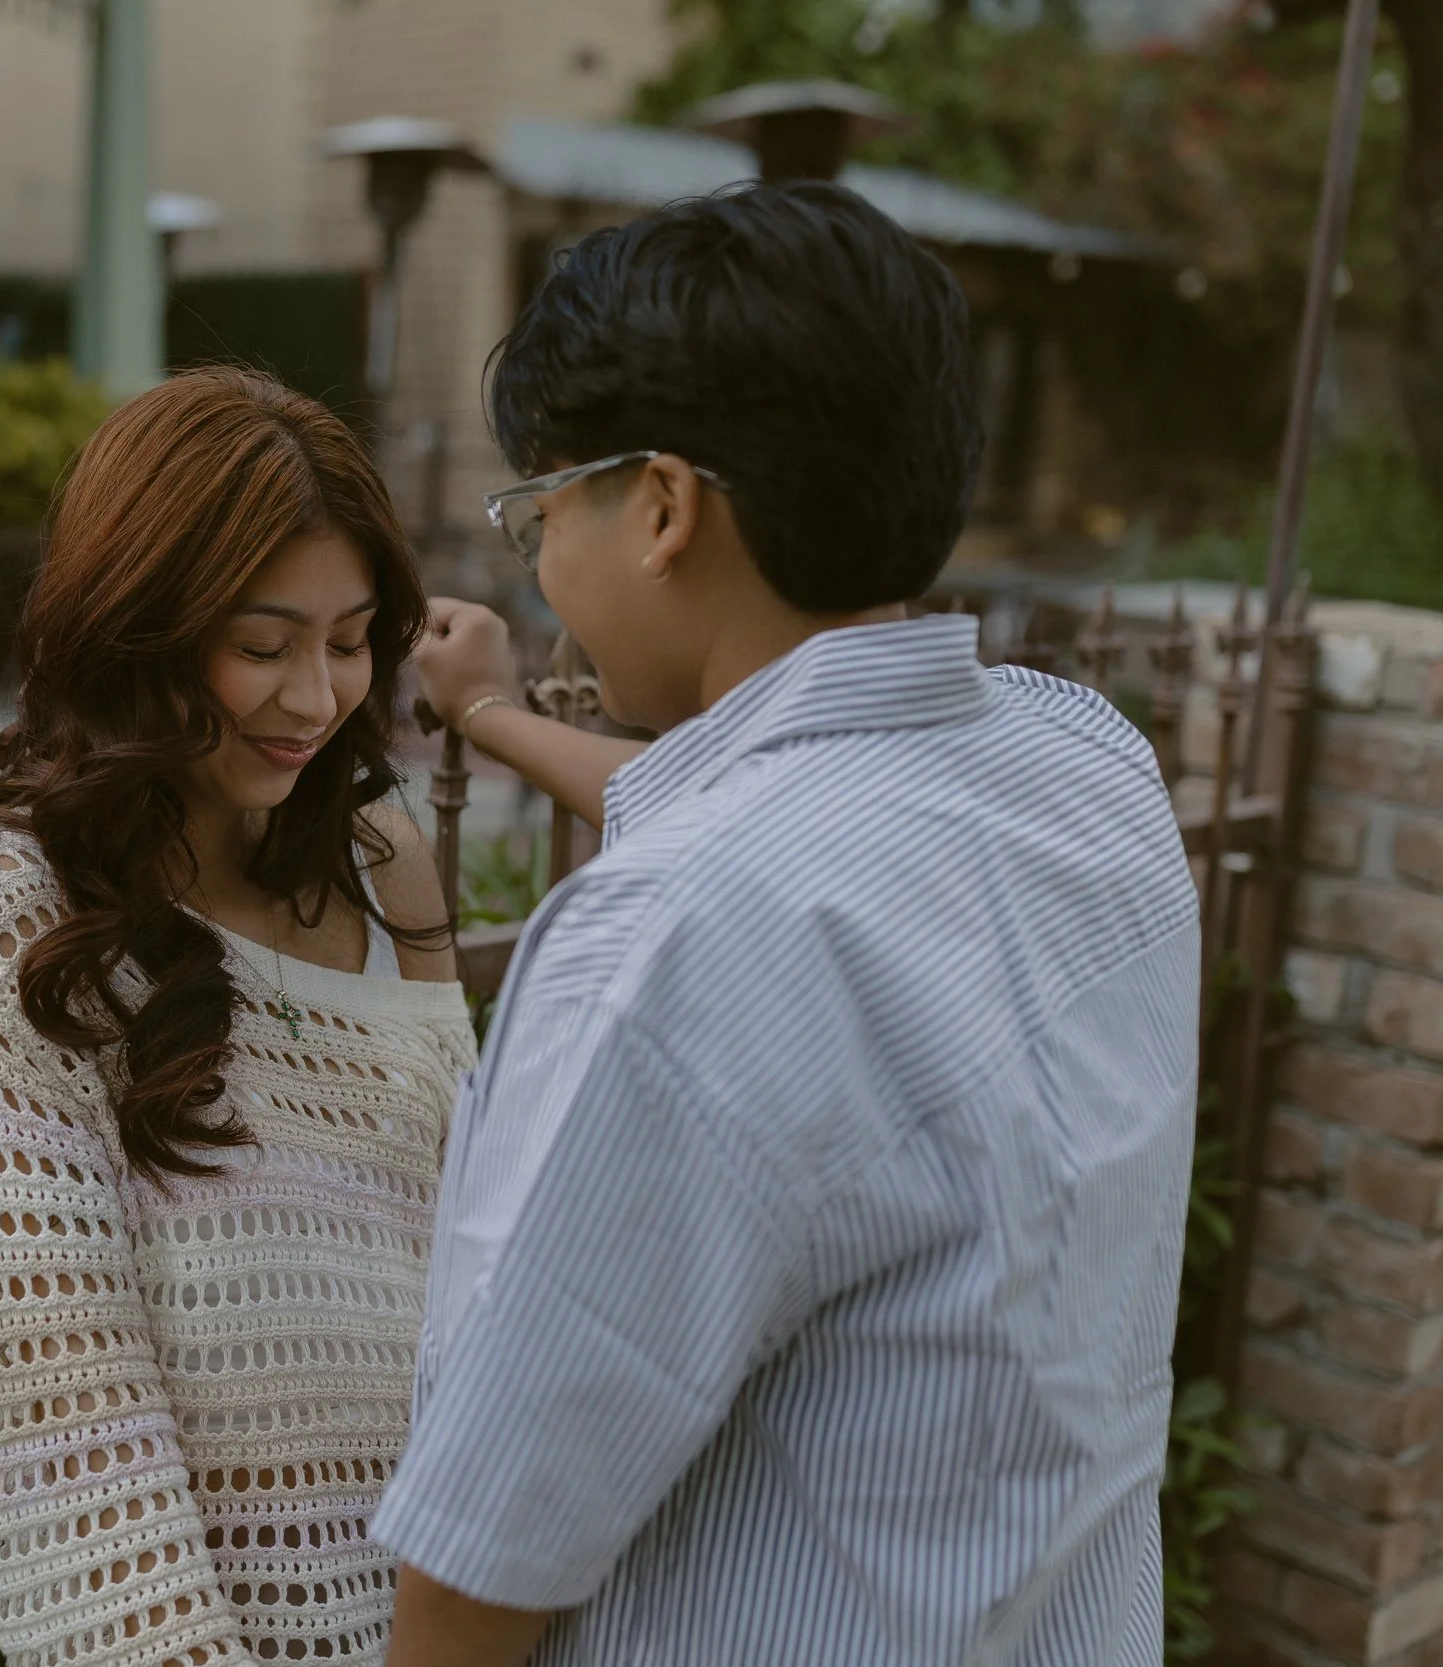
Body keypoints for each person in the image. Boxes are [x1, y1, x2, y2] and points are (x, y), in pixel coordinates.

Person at [380, 182, 1200, 1667]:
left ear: (664, 507)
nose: (540, 562)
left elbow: (479, 1566)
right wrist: (491, 714)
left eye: (543, 511)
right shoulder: (1080, 762)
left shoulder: (676, 934)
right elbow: (760, 802)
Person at [0, 367, 479, 1667]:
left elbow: (477, 1292)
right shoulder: (7, 914)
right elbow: (70, 1453)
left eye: (350, 641)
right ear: (135, 631)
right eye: (262, 646)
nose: (314, 699)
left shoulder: (386, 867)